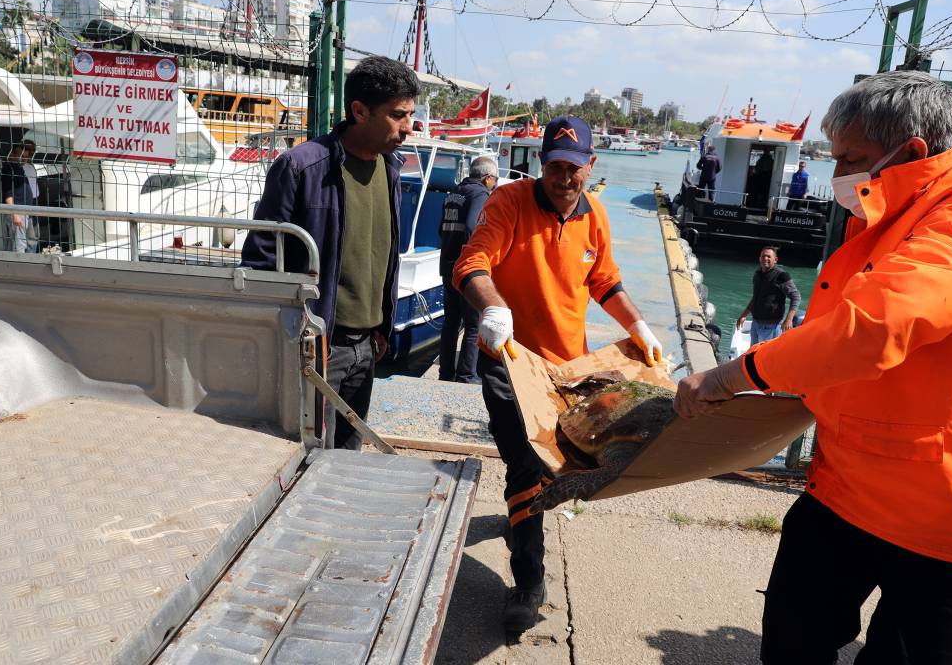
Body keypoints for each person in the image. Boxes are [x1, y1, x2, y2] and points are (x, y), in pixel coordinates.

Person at [674, 70, 952, 665]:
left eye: (850, 159)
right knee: (790, 641)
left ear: (911, 153)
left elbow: (873, 328)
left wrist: (733, 375)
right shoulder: (905, 204)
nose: (836, 177)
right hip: (849, 487)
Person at [453, 115, 664, 634]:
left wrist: (636, 325)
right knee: (526, 467)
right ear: (540, 164)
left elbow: (604, 279)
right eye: (554, 166)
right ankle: (529, 580)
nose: (563, 177)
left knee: (555, 467)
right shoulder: (508, 202)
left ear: (591, 166)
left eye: (574, 167)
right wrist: (494, 311)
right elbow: (471, 264)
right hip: (510, 360)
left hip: (568, 370)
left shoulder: (595, 214)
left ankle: (522, 520)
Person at [241, 56, 419, 450]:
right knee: (308, 457)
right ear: (359, 111)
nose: (409, 127)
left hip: (367, 347)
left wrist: (379, 329)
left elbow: (382, 257)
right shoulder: (302, 168)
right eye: (398, 115)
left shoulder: (390, 171)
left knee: (348, 453)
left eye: (410, 114)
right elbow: (260, 262)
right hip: (319, 346)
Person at [438, 155, 498, 383]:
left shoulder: (454, 193)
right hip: (465, 269)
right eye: (495, 180)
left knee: (451, 322)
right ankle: (465, 375)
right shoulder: (480, 193)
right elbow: (474, 226)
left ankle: (445, 373)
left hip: (446, 265)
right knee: (473, 324)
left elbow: (440, 229)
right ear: (488, 178)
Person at [734, 246, 800, 344]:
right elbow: (756, 297)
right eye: (763, 256)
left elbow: (796, 296)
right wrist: (744, 315)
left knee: (767, 357)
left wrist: (789, 319)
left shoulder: (781, 276)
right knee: (753, 353)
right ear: (759, 258)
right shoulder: (757, 274)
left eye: (769, 256)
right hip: (755, 323)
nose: (765, 259)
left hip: (771, 326)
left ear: (775, 260)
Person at [0, 140, 38, 253]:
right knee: (19, 245)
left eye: (26, 157)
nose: (24, 159)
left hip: (27, 210)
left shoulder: (20, 168)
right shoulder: (8, 169)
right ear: (12, 155)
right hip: (18, 211)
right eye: (22, 156)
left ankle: (30, 263)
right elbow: (8, 193)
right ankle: (18, 267)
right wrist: (15, 214)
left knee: (31, 240)